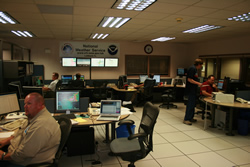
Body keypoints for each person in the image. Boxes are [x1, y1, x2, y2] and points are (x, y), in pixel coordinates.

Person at [0, 93, 61, 167]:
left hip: (26, 163)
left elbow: (23, 154)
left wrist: (3, 156)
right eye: (25, 103)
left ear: (40, 105)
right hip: (16, 155)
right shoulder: (33, 117)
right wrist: (6, 141)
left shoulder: (41, 125)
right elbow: (21, 132)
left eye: (29, 103)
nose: (25, 106)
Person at [183, 59, 203, 125]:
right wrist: (198, 83)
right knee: (190, 104)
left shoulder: (195, 69)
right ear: (199, 64)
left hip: (193, 90)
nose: (201, 67)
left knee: (193, 104)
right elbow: (189, 79)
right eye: (201, 65)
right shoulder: (192, 69)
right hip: (190, 89)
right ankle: (186, 119)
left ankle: (191, 117)